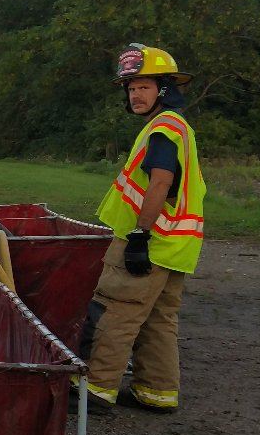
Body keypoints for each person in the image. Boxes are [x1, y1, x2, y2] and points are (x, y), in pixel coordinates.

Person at [79, 43, 206, 415]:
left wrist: (138, 235)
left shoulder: (164, 128)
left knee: (116, 310)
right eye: (131, 88)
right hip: (176, 247)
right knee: (159, 319)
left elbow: (160, 183)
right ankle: (157, 391)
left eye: (144, 87)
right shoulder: (178, 127)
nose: (135, 94)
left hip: (148, 241)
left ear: (163, 90)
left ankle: (97, 389)